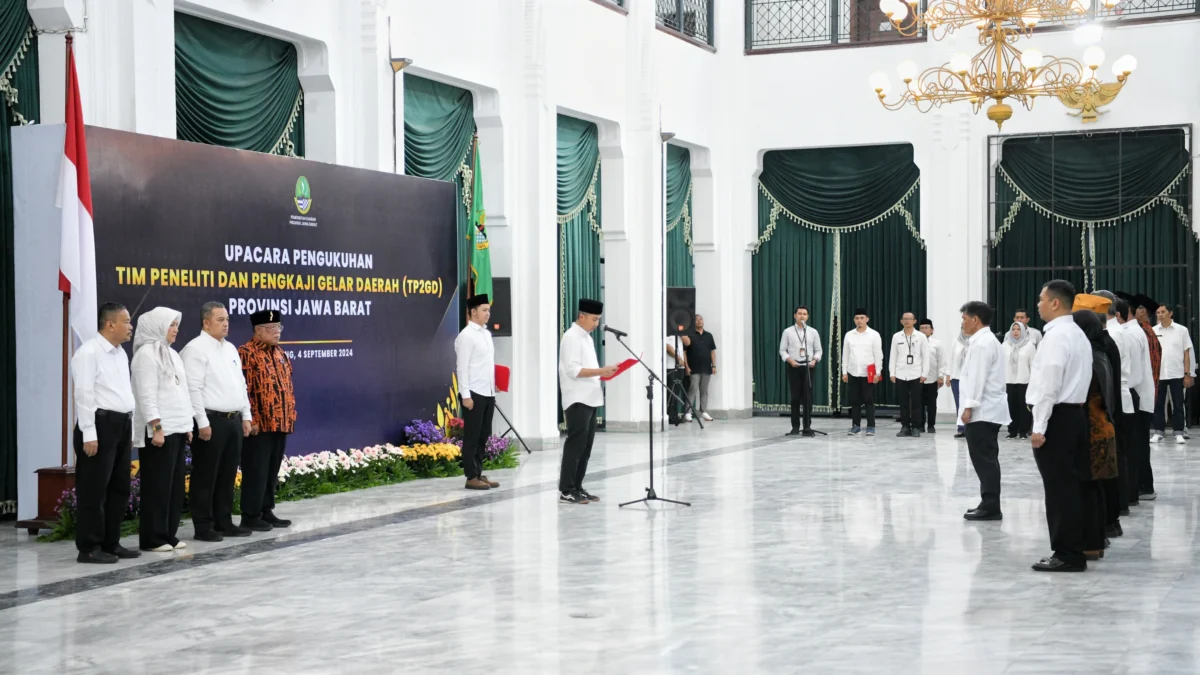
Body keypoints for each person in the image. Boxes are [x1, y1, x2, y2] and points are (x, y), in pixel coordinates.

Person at [1026, 280, 1092, 573]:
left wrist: (1039, 426)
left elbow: (1048, 385)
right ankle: (1075, 547)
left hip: (1058, 418)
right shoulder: (1076, 333)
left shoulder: (1056, 336)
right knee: (1071, 486)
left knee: (1059, 489)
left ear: (1055, 303)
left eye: (1041, 299)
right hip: (1074, 415)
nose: (1037, 304)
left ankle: (1066, 553)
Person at [71, 303, 139, 564]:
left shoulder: (121, 353)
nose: (130, 326)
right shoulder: (88, 353)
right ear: (110, 324)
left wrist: (129, 428)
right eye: (126, 321)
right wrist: (89, 433)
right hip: (99, 426)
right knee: (94, 490)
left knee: (119, 487)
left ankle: (111, 542)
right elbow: (84, 395)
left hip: (120, 425)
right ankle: (89, 547)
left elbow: (123, 394)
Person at [181, 302, 254, 541]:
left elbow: (240, 385)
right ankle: (204, 525)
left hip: (232, 420)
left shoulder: (231, 349)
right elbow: (193, 389)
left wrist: (246, 415)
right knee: (206, 475)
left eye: (227, 319)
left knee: (227, 473)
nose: (226, 324)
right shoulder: (195, 349)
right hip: (210, 420)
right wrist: (201, 422)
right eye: (220, 320)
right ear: (206, 322)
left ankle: (224, 521)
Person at [131, 307, 192, 553]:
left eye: (176, 325)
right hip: (159, 431)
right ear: (157, 326)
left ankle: (169, 533)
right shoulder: (145, 355)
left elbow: (182, 391)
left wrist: (188, 425)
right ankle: (152, 538)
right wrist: (156, 427)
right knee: (157, 486)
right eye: (171, 325)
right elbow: (146, 395)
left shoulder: (172, 354)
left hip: (178, 427)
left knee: (175, 487)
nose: (176, 329)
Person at [239, 309, 298, 528]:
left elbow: (287, 386)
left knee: (271, 470)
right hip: (259, 424)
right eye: (272, 329)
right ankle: (250, 515)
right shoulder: (247, 352)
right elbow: (245, 388)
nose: (277, 332)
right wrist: (251, 418)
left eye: (279, 328)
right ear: (258, 330)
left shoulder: (280, 353)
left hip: (280, 421)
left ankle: (266, 510)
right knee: (256, 470)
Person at [1071, 302, 1119, 563]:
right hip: (1101, 428)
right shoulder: (1100, 352)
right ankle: (1096, 539)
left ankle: (1092, 541)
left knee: (1089, 489)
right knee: (1095, 488)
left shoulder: (1092, 357)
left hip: (1094, 431)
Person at [558, 298, 617, 504]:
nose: (596, 324)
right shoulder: (571, 337)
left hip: (591, 398)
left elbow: (589, 369)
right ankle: (566, 489)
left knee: (586, 447)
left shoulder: (587, 338)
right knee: (575, 446)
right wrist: (602, 371)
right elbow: (572, 371)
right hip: (577, 399)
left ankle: (578, 486)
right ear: (581, 316)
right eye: (594, 319)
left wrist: (604, 374)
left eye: (599, 319)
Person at [957, 301, 1010, 521]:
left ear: (975, 319)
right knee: (986, 458)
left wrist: (969, 406)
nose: (962, 323)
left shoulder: (982, 344)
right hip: (987, 408)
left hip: (983, 411)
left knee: (984, 459)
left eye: (964, 318)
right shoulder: (984, 341)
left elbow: (977, 378)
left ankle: (990, 505)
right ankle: (988, 501)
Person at [1095, 291, 1133, 529]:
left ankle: (1117, 508)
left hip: (1112, 401)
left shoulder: (1111, 335)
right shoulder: (1115, 333)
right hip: (1118, 397)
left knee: (1114, 457)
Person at [455, 296, 498, 491]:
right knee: (472, 436)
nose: (487, 314)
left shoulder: (486, 334)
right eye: (484, 310)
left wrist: (494, 383)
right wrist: (465, 395)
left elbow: (485, 364)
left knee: (483, 434)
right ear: (473, 312)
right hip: (473, 392)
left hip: (487, 391)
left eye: (488, 310)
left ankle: (479, 472)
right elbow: (462, 368)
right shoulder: (466, 336)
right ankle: (470, 475)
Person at [1116, 292, 1154, 506]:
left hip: (1135, 394)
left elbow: (1131, 374)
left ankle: (1142, 486)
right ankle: (1144, 486)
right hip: (1140, 393)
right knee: (1138, 445)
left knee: (1136, 446)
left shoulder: (1129, 334)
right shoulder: (1133, 331)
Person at [1152, 303, 1194, 445]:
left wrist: (1187, 373)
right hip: (1159, 374)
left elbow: (1186, 353)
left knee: (1178, 403)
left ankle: (1178, 432)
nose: (1160, 315)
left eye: (1163, 312)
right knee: (1158, 404)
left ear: (1170, 313)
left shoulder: (1182, 330)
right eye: (1158, 312)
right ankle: (1158, 431)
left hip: (1177, 372)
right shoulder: (1153, 330)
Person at [779, 305, 823, 437]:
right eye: (799, 314)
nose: (802, 316)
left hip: (808, 367)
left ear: (808, 317)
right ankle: (795, 426)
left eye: (804, 314)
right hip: (794, 366)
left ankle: (807, 426)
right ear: (794, 315)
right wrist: (790, 360)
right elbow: (782, 350)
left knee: (807, 397)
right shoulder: (788, 332)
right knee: (795, 398)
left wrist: (815, 360)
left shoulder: (813, 332)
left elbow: (819, 350)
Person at [841, 308, 883, 436]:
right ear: (854, 320)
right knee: (855, 400)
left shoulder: (874, 335)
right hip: (853, 372)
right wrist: (844, 372)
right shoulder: (849, 335)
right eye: (857, 318)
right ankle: (856, 425)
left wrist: (878, 372)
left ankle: (871, 426)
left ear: (867, 319)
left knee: (868, 400)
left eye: (862, 318)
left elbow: (878, 355)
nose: (859, 320)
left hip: (868, 373)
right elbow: (845, 355)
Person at [890, 311, 929, 437]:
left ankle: (916, 427)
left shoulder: (921, 337)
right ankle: (905, 426)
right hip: (901, 373)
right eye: (904, 319)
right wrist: (892, 372)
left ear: (914, 321)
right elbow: (893, 356)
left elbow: (926, 357)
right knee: (903, 402)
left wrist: (924, 373)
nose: (907, 321)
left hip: (916, 374)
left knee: (917, 402)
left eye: (909, 319)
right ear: (901, 321)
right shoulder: (897, 336)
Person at [682, 314, 717, 423]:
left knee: (704, 391)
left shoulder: (709, 335)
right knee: (692, 389)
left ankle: (704, 411)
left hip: (706, 367)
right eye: (696, 320)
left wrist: (714, 365)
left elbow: (712, 352)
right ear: (693, 323)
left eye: (701, 319)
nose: (699, 321)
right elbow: (684, 352)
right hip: (693, 368)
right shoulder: (689, 335)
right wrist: (686, 366)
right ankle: (688, 412)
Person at [918, 318, 948, 433]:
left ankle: (931, 425)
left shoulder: (937, 343)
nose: (924, 330)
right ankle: (920, 425)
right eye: (922, 328)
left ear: (932, 330)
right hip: (918, 378)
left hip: (932, 378)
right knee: (918, 403)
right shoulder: (916, 343)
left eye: (926, 328)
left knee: (931, 403)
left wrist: (941, 377)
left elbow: (941, 361)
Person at [948, 330, 970, 438]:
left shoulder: (975, 341)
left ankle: (970, 429)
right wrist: (948, 375)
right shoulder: (955, 341)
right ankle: (961, 428)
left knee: (970, 403)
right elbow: (951, 358)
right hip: (956, 377)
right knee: (959, 403)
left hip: (970, 377)